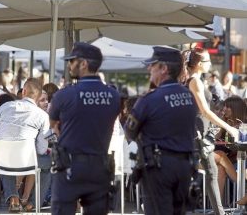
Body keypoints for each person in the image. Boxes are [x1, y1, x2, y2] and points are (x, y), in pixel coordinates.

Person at [124, 46, 198, 215]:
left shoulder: (149, 100)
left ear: (164, 69)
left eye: (153, 65)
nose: (149, 68)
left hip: (159, 168)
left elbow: (130, 131)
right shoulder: (189, 97)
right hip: (184, 166)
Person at [49, 42, 120, 215]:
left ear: (83, 64)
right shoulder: (114, 95)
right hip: (100, 167)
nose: (69, 65)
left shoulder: (64, 95)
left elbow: (54, 126)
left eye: (72, 61)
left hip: (69, 167)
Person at [182, 48, 239, 215]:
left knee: (212, 174)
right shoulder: (195, 82)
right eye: (208, 61)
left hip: (199, 135)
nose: (210, 64)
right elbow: (205, 112)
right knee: (210, 174)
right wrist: (229, 128)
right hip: (197, 136)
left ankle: (218, 212)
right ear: (200, 64)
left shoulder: (194, 80)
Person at [0, 78, 50, 213]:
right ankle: (32, 204)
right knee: (47, 165)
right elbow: (42, 149)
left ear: (23, 91)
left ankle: (14, 198)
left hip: (4, 159)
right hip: (28, 160)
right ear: (38, 97)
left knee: (5, 158)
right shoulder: (42, 115)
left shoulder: (6, 107)